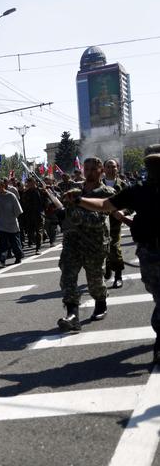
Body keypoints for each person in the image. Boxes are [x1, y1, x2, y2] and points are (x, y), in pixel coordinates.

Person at [65, 148, 160, 361]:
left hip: (106, 244)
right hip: (150, 252)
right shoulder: (139, 190)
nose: (154, 171)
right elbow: (105, 206)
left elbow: (106, 205)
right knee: (159, 296)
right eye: (152, 167)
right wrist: (78, 201)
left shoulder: (127, 189)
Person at [56, 157, 114, 332]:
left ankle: (100, 303)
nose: (88, 172)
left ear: (101, 171)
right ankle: (72, 315)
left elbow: (97, 219)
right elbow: (67, 212)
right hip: (72, 242)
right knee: (67, 277)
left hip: (94, 242)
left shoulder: (106, 192)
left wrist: (75, 213)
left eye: (92, 169)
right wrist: (61, 212)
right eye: (86, 169)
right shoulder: (75, 191)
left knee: (95, 280)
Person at [103, 158, 128, 288]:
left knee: (115, 248)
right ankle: (107, 266)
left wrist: (123, 212)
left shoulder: (123, 185)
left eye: (113, 167)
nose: (111, 169)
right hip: (99, 224)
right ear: (103, 169)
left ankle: (118, 276)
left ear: (117, 168)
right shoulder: (97, 184)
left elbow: (131, 204)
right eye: (108, 166)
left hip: (114, 223)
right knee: (102, 249)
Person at [0, 179, 24, 268]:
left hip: (12, 223)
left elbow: (18, 210)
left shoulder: (11, 196)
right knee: (2, 244)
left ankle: (18, 257)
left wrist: (13, 218)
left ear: (3, 186)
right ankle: (2, 261)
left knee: (15, 243)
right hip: (2, 224)